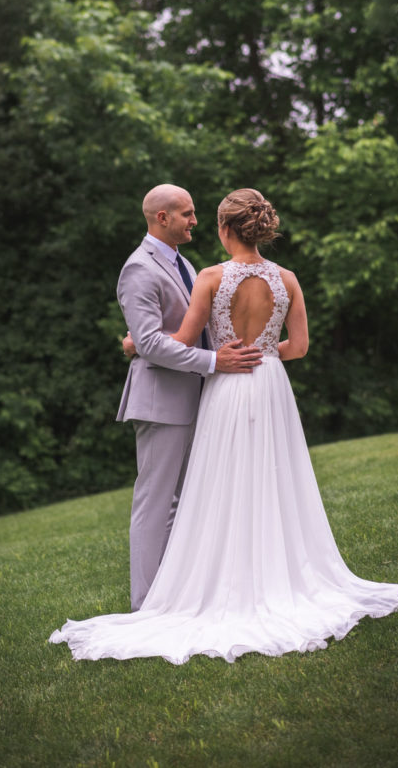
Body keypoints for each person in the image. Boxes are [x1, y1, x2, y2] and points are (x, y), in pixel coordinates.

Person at [49, 189, 398, 663]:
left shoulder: (210, 275)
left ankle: (196, 592)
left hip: (224, 386)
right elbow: (298, 346)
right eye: (186, 213)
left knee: (215, 489)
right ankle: (263, 581)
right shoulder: (287, 278)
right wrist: (259, 352)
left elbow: (174, 340)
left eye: (203, 217)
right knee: (269, 484)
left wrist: (134, 344)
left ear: (226, 228)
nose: (195, 222)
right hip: (268, 384)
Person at [114, 184, 262, 609]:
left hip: (197, 397)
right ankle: (145, 605)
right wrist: (215, 362)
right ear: (162, 218)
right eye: (187, 213)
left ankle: (173, 594)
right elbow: (151, 344)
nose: (196, 221)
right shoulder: (138, 269)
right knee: (156, 503)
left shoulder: (185, 264)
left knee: (184, 502)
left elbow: (185, 328)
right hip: (162, 401)